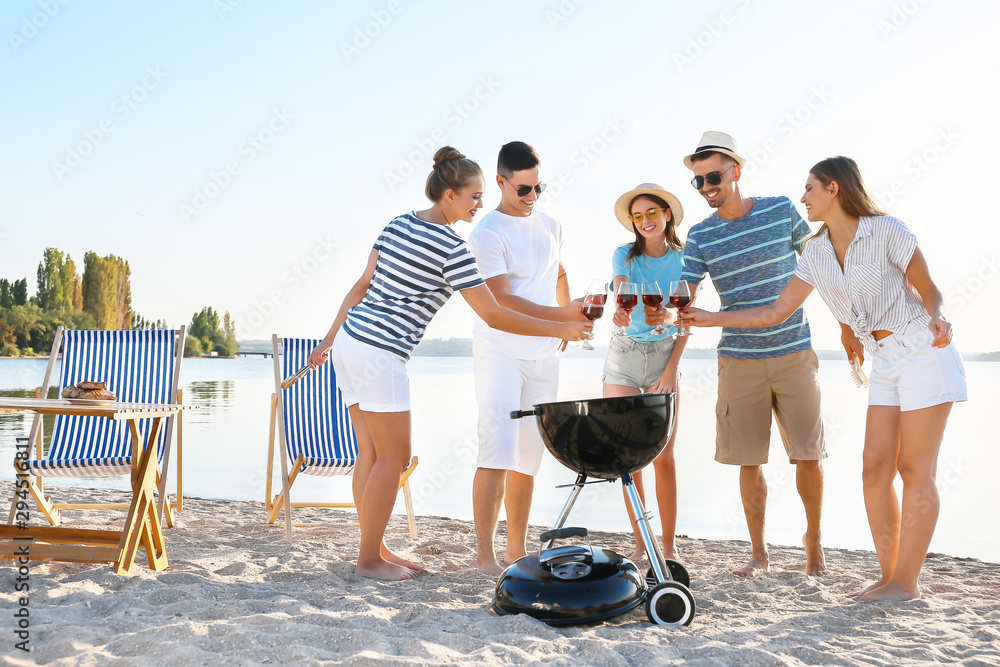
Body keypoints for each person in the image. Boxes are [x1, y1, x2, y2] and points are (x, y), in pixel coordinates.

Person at [681, 156, 967, 600]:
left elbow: (927, 286)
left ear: (834, 189)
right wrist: (709, 318)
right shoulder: (815, 252)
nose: (802, 198)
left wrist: (939, 316)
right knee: (874, 469)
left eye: (810, 188)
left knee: (914, 470)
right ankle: (889, 576)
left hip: (922, 350)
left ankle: (906, 583)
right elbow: (776, 311)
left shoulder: (887, 229)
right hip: (884, 362)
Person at [308, 146, 592, 581]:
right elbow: (495, 313)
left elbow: (361, 286)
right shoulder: (452, 248)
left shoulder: (398, 223)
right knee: (394, 457)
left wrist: (329, 339)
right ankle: (368, 561)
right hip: (382, 351)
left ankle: (375, 547)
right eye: (474, 196)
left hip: (350, 342)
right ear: (448, 196)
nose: (480, 205)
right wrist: (560, 329)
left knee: (371, 451)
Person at [648, 131, 828, 578]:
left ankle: (814, 543)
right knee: (749, 460)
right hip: (738, 361)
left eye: (713, 176)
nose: (707, 186)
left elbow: (820, 266)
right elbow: (686, 294)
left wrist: (847, 325)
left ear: (736, 172)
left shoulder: (781, 210)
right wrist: (668, 311)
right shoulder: (701, 235)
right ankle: (759, 553)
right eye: (698, 181)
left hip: (794, 352)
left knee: (808, 454)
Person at [467, 141, 588, 575]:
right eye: (523, 189)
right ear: (500, 182)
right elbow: (502, 301)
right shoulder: (486, 233)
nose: (532, 197)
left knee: (528, 457)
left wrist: (569, 308)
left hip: (544, 356)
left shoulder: (552, 225)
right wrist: (561, 321)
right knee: (496, 450)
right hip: (501, 354)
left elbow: (556, 269)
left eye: (539, 188)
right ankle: (484, 556)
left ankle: (514, 550)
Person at [603, 183, 688, 562]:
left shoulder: (686, 259)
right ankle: (641, 544)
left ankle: (668, 546)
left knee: (664, 456)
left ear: (667, 214)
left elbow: (686, 320)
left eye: (651, 213)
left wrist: (672, 369)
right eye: (637, 216)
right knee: (628, 458)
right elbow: (621, 289)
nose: (644, 221)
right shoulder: (624, 253)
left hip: (665, 354)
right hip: (623, 354)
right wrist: (620, 310)